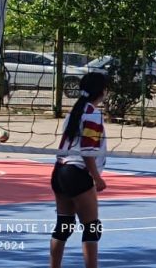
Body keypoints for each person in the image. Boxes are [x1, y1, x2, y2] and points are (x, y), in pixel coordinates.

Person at [50, 73, 109, 268]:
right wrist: (97, 178)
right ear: (102, 91)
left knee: (64, 227)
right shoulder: (93, 113)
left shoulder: (74, 110)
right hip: (76, 173)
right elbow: (87, 151)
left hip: (59, 171)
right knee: (92, 228)